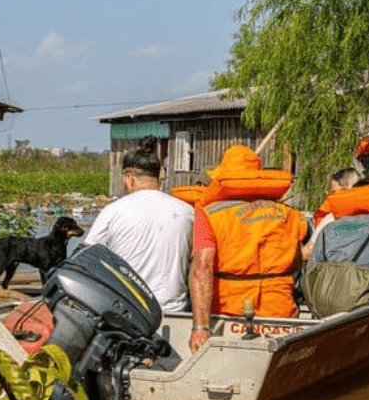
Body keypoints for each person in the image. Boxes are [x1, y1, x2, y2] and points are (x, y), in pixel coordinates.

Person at [188, 145, 310, 353]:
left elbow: (202, 268)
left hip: (230, 313)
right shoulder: (289, 214)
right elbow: (297, 261)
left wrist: (200, 327)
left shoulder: (210, 215)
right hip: (279, 311)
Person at [81, 136, 194, 313]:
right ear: (158, 176)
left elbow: (86, 257)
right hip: (174, 311)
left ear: (130, 177)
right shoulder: (187, 211)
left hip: (128, 312)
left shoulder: (113, 211)